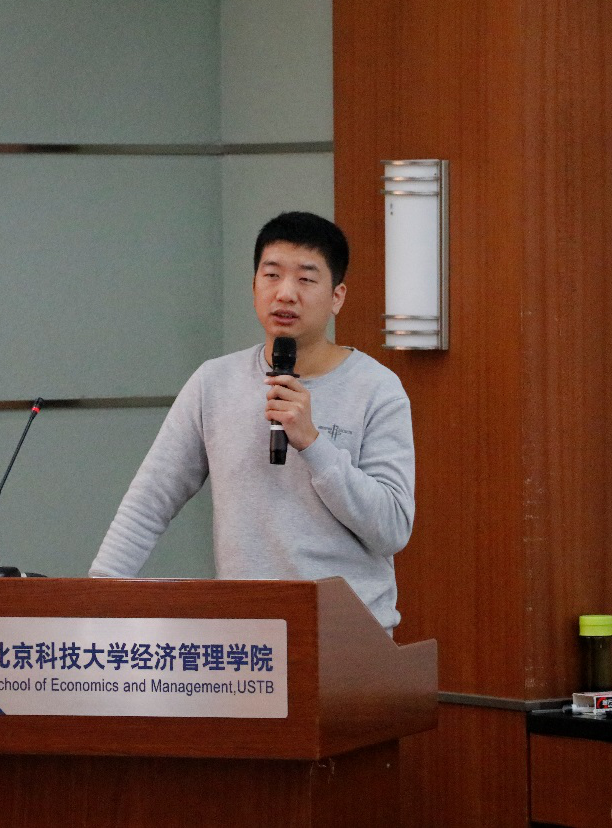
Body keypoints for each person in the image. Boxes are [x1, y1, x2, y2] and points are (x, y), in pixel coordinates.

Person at [89, 211, 415, 632]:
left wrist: (314, 444)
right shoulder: (213, 382)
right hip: (247, 636)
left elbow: (392, 529)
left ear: (337, 296)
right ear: (254, 286)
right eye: (272, 275)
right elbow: (150, 501)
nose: (285, 293)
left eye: (306, 279)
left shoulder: (376, 389)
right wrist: (95, 597)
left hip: (348, 636)